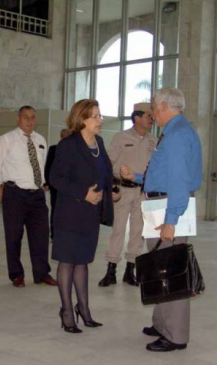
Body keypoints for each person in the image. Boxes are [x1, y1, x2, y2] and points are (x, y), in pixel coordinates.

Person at [121, 88, 202, 352]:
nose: (152, 114)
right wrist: (135, 178)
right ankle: (161, 322)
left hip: (169, 207)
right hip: (162, 202)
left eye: (154, 108)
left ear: (165, 105)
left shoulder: (177, 134)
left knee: (171, 271)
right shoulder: (176, 131)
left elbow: (178, 181)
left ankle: (175, 335)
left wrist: (171, 220)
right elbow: (165, 173)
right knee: (160, 266)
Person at [50, 99, 119, 333]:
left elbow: (105, 172)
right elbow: (56, 178)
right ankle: (67, 311)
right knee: (67, 261)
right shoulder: (68, 145)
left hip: (91, 213)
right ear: (82, 119)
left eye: (100, 115)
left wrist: (112, 191)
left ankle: (84, 309)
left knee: (83, 261)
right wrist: (83, 194)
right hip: (70, 212)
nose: (100, 120)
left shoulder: (99, 142)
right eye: (96, 117)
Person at [0, 106, 57, 288]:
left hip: (37, 195)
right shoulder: (7, 139)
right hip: (14, 194)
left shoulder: (40, 140)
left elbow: (41, 167)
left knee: (41, 236)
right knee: (13, 236)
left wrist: (43, 185)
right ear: (18, 119)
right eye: (26, 117)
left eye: (33, 117)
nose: (29, 121)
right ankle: (16, 274)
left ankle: (42, 273)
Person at [98, 103, 157, 287]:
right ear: (137, 117)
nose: (151, 118)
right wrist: (112, 186)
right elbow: (108, 163)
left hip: (143, 192)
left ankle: (130, 270)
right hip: (123, 190)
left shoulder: (153, 141)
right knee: (118, 230)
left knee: (138, 232)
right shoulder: (121, 137)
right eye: (148, 115)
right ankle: (111, 270)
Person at [44, 128, 72, 240]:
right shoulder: (54, 149)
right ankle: (54, 234)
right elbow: (48, 167)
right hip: (56, 186)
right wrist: (46, 182)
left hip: (70, 186)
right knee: (56, 209)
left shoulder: (75, 150)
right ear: (61, 137)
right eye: (65, 137)